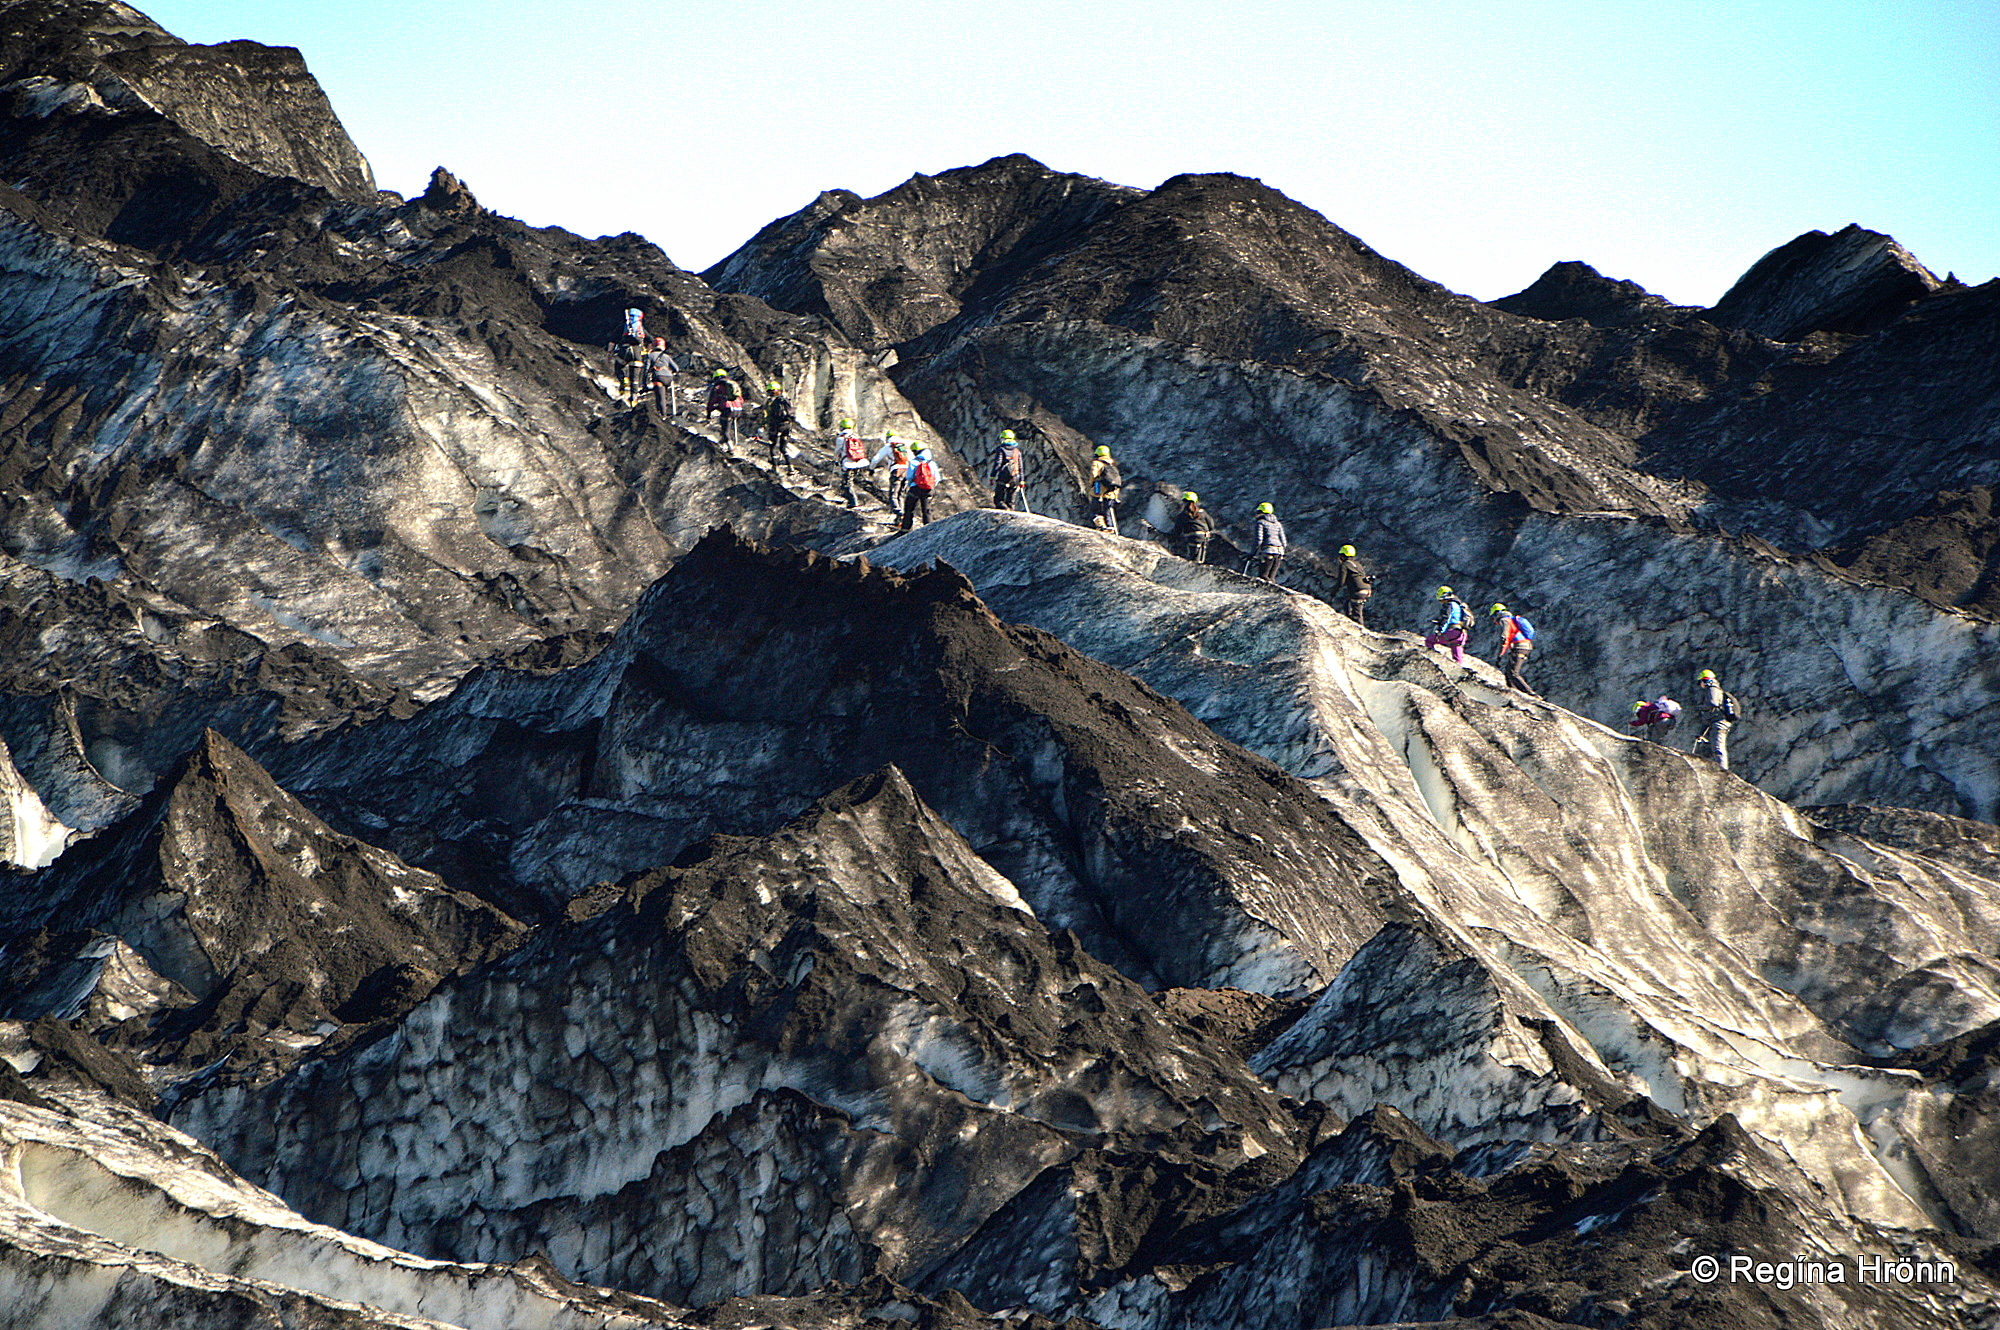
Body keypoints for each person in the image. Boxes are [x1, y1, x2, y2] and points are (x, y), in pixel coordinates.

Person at [1692, 668, 1739, 770]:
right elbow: (1710, 717)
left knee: (1718, 747)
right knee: (1716, 747)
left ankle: (1723, 771)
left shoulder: (1712, 688)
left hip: (1719, 723)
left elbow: (1713, 703)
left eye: (1700, 682)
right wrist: (1701, 733)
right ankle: (1722, 769)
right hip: (1719, 722)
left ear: (1705, 680)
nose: (1700, 685)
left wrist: (1701, 707)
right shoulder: (1714, 689)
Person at [1489, 603, 1539, 696]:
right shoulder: (1512, 619)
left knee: (1513, 673)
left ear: (1496, 614)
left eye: (1493, 617)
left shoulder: (1504, 620)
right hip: (1525, 646)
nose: (1494, 620)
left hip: (1519, 647)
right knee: (1508, 672)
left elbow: (1505, 637)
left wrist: (1500, 655)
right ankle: (1514, 693)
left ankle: (1531, 694)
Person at [1425, 586, 1472, 662]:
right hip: (1461, 634)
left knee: (1429, 640)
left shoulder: (1449, 605)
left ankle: (1431, 660)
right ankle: (1459, 669)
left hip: (1452, 632)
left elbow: (1446, 618)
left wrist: (1440, 630)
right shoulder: (1459, 605)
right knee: (1457, 656)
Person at [898, 446, 940, 530]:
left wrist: (910, 484)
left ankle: (906, 528)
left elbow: (909, 476)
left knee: (909, 508)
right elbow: (937, 477)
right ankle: (928, 528)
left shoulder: (914, 462)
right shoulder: (932, 463)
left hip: (916, 488)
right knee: (926, 509)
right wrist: (931, 485)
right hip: (928, 488)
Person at [1332, 544, 1373, 627]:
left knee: (1356, 613)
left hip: (1357, 591)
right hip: (1366, 589)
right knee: (1349, 605)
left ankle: (1359, 631)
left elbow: (1341, 582)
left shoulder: (1344, 565)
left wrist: (1332, 592)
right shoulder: (1358, 565)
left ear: (1343, 556)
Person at [870, 433, 913, 510]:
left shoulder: (888, 446)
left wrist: (871, 469)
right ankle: (901, 516)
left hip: (896, 471)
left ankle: (898, 512)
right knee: (901, 495)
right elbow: (912, 459)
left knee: (893, 495)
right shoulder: (904, 446)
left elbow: (875, 459)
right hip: (907, 471)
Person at [835, 419, 871, 508]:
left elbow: (837, 451)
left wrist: (836, 460)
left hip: (848, 463)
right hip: (860, 462)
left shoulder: (841, 438)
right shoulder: (855, 436)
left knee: (847, 483)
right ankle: (854, 500)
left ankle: (853, 501)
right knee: (856, 481)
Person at [1087, 445, 1122, 534]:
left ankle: (1102, 526)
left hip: (1099, 489)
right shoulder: (1111, 465)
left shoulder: (1097, 463)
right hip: (1112, 491)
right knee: (1108, 509)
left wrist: (1091, 485)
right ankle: (1111, 527)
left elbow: (1093, 475)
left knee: (1094, 510)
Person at [1172, 491, 1214, 563]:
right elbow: (1211, 525)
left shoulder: (1183, 515)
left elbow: (1177, 530)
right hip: (1204, 536)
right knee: (1201, 556)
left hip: (1192, 537)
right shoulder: (1202, 512)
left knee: (1193, 557)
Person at [990, 430, 1026, 511]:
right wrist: (1022, 481)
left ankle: (1004, 510)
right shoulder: (1017, 451)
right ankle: (1010, 510)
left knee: (998, 499)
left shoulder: (1001, 449)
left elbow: (997, 464)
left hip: (1003, 476)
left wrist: (992, 476)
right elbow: (1021, 467)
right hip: (1015, 476)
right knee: (1011, 499)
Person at [644, 339, 680, 418]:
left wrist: (644, 384)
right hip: (669, 378)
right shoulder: (666, 356)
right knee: (664, 396)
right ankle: (669, 414)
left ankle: (663, 415)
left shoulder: (650, 356)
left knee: (660, 397)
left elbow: (646, 370)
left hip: (659, 377)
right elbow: (676, 369)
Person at [762, 381, 794, 469]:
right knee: (783, 448)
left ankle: (775, 467)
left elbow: (766, 414)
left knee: (773, 445)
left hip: (775, 425)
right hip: (787, 425)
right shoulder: (785, 400)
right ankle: (790, 467)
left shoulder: (770, 401)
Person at [1253, 503, 1286, 581]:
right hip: (1279, 552)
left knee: (1263, 576)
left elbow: (1259, 540)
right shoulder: (1278, 524)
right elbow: (1284, 541)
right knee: (1271, 577)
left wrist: (1252, 553)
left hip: (1268, 551)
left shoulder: (1260, 523)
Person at [705, 369, 739, 444]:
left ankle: (731, 449)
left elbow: (712, 401)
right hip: (738, 409)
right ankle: (724, 442)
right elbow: (740, 398)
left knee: (725, 431)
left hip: (728, 408)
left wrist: (709, 413)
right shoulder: (733, 384)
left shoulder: (718, 387)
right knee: (729, 425)